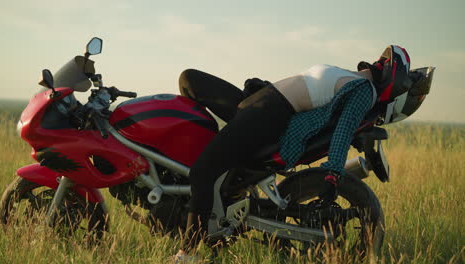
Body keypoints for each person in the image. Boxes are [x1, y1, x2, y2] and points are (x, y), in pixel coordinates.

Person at [174, 45, 433, 261]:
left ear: (393, 78)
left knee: (202, 172)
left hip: (268, 114)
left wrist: (333, 176)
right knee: (189, 79)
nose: (380, 61)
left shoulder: (365, 92)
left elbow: (343, 131)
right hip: (260, 100)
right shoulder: (357, 78)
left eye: (385, 62)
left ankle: (189, 252)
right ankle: (200, 193)